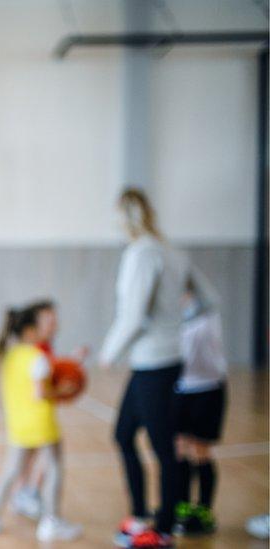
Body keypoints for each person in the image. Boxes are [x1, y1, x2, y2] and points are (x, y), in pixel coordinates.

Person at [99, 187, 212, 548]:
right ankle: (141, 516)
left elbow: (132, 316)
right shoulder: (172, 251)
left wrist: (108, 353)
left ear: (124, 216)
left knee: (164, 447)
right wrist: (176, 323)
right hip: (159, 360)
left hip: (153, 363)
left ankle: (163, 530)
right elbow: (210, 300)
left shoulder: (142, 252)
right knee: (124, 434)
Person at [0, 305, 83, 542]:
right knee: (54, 468)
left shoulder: (10, 356)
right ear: (29, 330)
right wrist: (63, 389)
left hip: (17, 424)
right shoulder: (37, 358)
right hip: (42, 423)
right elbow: (40, 394)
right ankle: (51, 522)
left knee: (10, 471)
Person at [11, 300, 89, 520]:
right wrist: (63, 389)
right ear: (34, 325)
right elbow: (43, 385)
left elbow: (51, 369)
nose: (54, 324)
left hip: (28, 415)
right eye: (49, 320)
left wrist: (72, 360)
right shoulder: (35, 350)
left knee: (29, 458)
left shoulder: (41, 347)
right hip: (35, 415)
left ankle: (23, 495)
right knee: (46, 461)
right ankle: (32, 499)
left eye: (55, 320)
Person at [173, 278, 225, 536]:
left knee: (201, 450)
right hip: (180, 390)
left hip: (207, 389)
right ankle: (182, 507)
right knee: (180, 449)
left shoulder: (206, 319)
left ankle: (204, 510)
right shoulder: (171, 321)